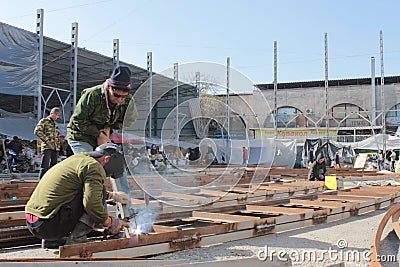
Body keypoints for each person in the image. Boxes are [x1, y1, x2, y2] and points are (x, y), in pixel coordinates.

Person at [25, 143, 130, 249]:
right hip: (49, 225)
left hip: (36, 222)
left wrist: (111, 195)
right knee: (96, 198)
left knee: (96, 193)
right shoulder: (94, 167)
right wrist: (110, 222)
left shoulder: (78, 159)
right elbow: (92, 204)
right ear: (106, 159)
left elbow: (72, 189)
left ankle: (52, 241)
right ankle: (77, 240)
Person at [66, 66, 138, 199]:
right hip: (81, 136)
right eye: (116, 95)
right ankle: (96, 209)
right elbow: (78, 121)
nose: (119, 100)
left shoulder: (127, 100)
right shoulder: (92, 95)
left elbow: (129, 120)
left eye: (123, 96)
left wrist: (108, 129)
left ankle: (127, 211)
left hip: (104, 135)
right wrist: (99, 134)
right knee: (92, 168)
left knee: (117, 169)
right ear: (109, 87)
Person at [34, 107, 62, 178]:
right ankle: (41, 181)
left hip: (55, 148)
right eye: (56, 114)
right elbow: (37, 131)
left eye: (58, 115)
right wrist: (46, 139)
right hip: (47, 147)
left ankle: (51, 180)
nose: (57, 116)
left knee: (54, 166)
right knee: (45, 166)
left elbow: (57, 135)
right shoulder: (44, 121)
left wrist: (60, 143)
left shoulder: (55, 124)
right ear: (51, 113)